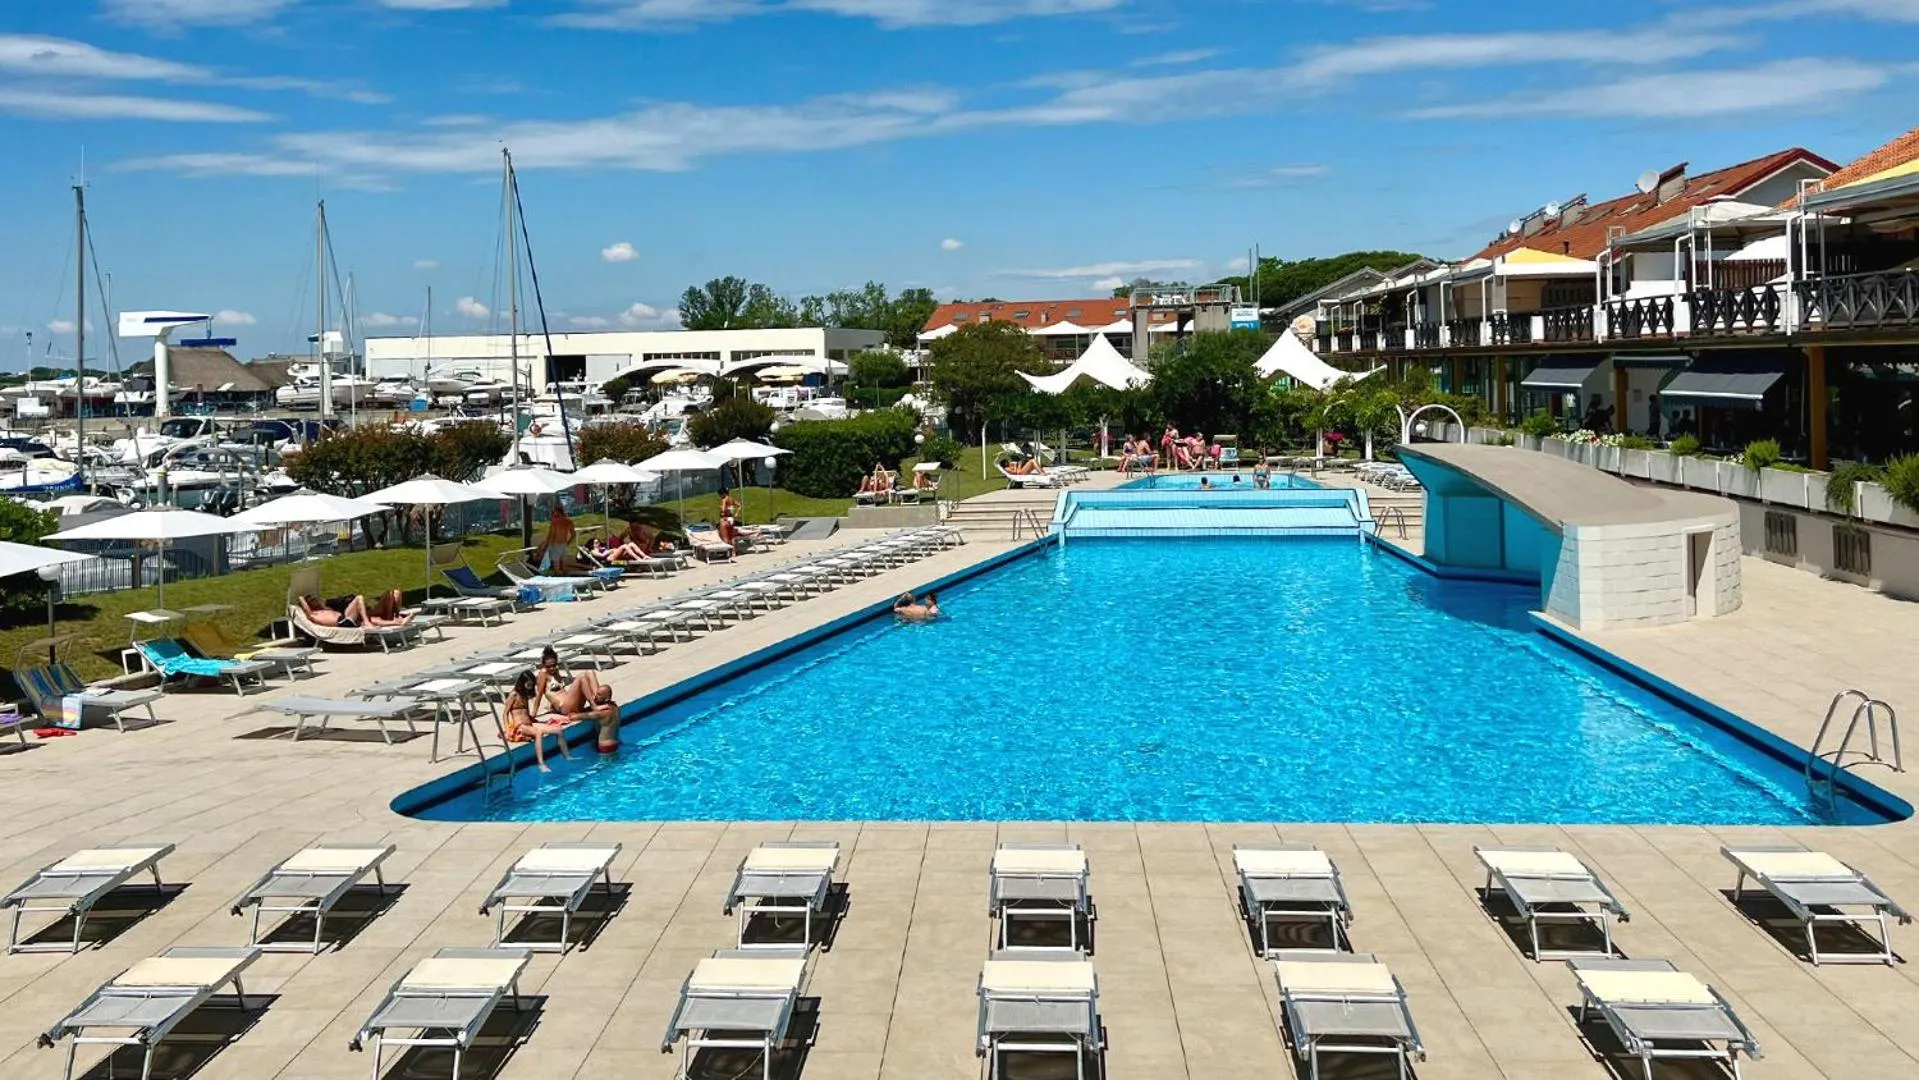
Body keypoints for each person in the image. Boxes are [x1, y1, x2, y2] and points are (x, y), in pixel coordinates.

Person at [535, 647, 619, 753]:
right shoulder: (542, 674)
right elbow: (539, 695)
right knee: (581, 677)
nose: (552, 668)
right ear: (543, 665)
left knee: (590, 672)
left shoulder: (555, 672)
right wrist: (533, 714)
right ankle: (594, 705)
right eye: (549, 666)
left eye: (554, 665)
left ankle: (597, 698)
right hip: (565, 707)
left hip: (570, 704)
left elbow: (557, 692)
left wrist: (551, 705)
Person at [503, 669, 576, 771]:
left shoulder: (525, 694)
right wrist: (507, 730)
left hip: (529, 723)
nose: (530, 686)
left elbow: (526, 712)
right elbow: (505, 713)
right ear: (522, 682)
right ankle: (541, 764)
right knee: (538, 733)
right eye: (529, 683)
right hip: (520, 726)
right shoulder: (514, 694)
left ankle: (567, 756)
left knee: (558, 730)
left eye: (531, 684)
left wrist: (535, 720)